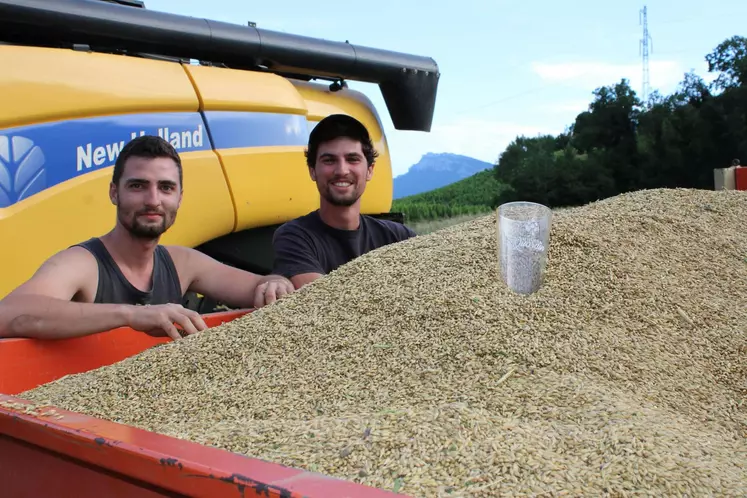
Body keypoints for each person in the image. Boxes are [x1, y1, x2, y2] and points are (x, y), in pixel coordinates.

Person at [0, 135, 295, 341]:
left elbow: (259, 285)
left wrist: (275, 283)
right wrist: (132, 315)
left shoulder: (182, 263)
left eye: (166, 188)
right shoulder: (82, 263)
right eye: (138, 186)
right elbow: (12, 314)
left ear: (180, 197)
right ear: (114, 192)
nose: (153, 200)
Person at [271, 114, 416, 289]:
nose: (341, 170)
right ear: (312, 171)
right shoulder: (295, 237)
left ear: (370, 170)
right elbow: (323, 299)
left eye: (352, 159)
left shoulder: (398, 237)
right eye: (329, 160)